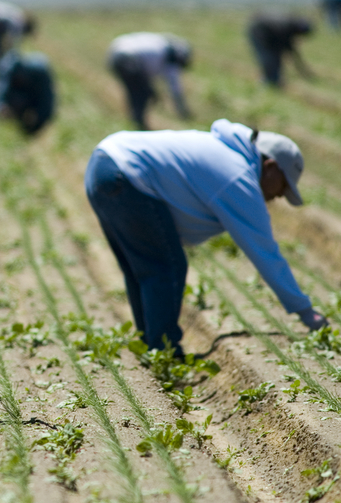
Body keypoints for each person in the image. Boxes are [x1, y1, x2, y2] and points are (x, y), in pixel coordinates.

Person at [84, 119, 328, 356]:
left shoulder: (225, 153)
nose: (279, 196)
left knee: (144, 267)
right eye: (284, 187)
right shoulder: (238, 177)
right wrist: (305, 311)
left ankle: (150, 344)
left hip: (103, 164)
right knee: (166, 266)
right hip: (125, 174)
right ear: (271, 167)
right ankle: (164, 351)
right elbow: (264, 251)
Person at [107, 32, 192, 130]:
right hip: (128, 59)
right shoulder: (169, 57)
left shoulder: (160, 43)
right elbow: (175, 89)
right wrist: (183, 112)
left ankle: (136, 122)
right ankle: (138, 124)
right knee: (142, 93)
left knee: (138, 92)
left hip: (116, 53)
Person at [0, 49, 56, 135]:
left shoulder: (40, 75)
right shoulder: (9, 72)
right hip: (17, 103)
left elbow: (47, 103)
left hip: (34, 104)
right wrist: (1, 108)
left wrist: (37, 116)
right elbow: (0, 94)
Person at [247, 13, 314, 87]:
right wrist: (301, 68)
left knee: (275, 57)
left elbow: (288, 48)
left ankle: (274, 80)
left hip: (269, 33)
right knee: (269, 57)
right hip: (259, 32)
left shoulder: (290, 25)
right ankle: (269, 81)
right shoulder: (286, 28)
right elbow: (288, 47)